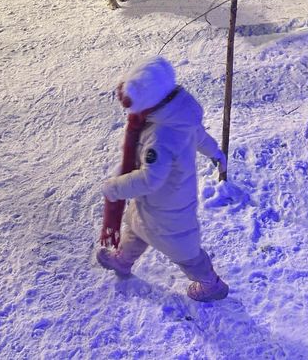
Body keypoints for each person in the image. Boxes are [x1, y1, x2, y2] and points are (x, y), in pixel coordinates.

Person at [97, 57, 229, 302]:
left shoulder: (161, 134)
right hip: (155, 203)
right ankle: (123, 261)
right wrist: (215, 153)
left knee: (182, 248)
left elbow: (150, 179)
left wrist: (115, 188)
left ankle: (211, 283)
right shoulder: (177, 115)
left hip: (169, 206)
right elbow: (199, 136)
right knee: (137, 228)